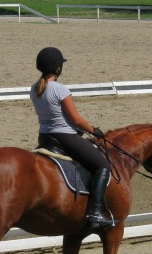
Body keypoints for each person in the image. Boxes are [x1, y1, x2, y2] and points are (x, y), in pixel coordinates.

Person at [30, 47, 117, 231]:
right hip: (64, 137)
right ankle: (96, 213)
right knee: (103, 166)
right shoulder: (60, 89)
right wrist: (94, 130)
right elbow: (76, 120)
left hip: (45, 137)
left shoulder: (34, 88)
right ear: (58, 69)